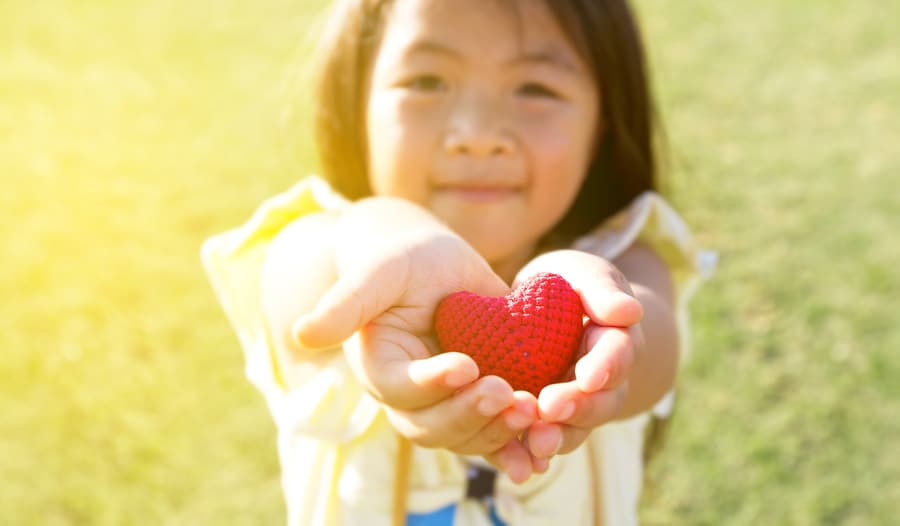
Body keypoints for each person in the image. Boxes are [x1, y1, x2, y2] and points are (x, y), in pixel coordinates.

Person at [202, 0, 714, 524]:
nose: (477, 134)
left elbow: (649, 340)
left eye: (535, 88)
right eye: (427, 81)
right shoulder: (316, 247)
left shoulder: (628, 259)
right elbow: (308, 287)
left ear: (602, 121)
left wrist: (601, 337)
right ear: (356, 103)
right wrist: (392, 234)